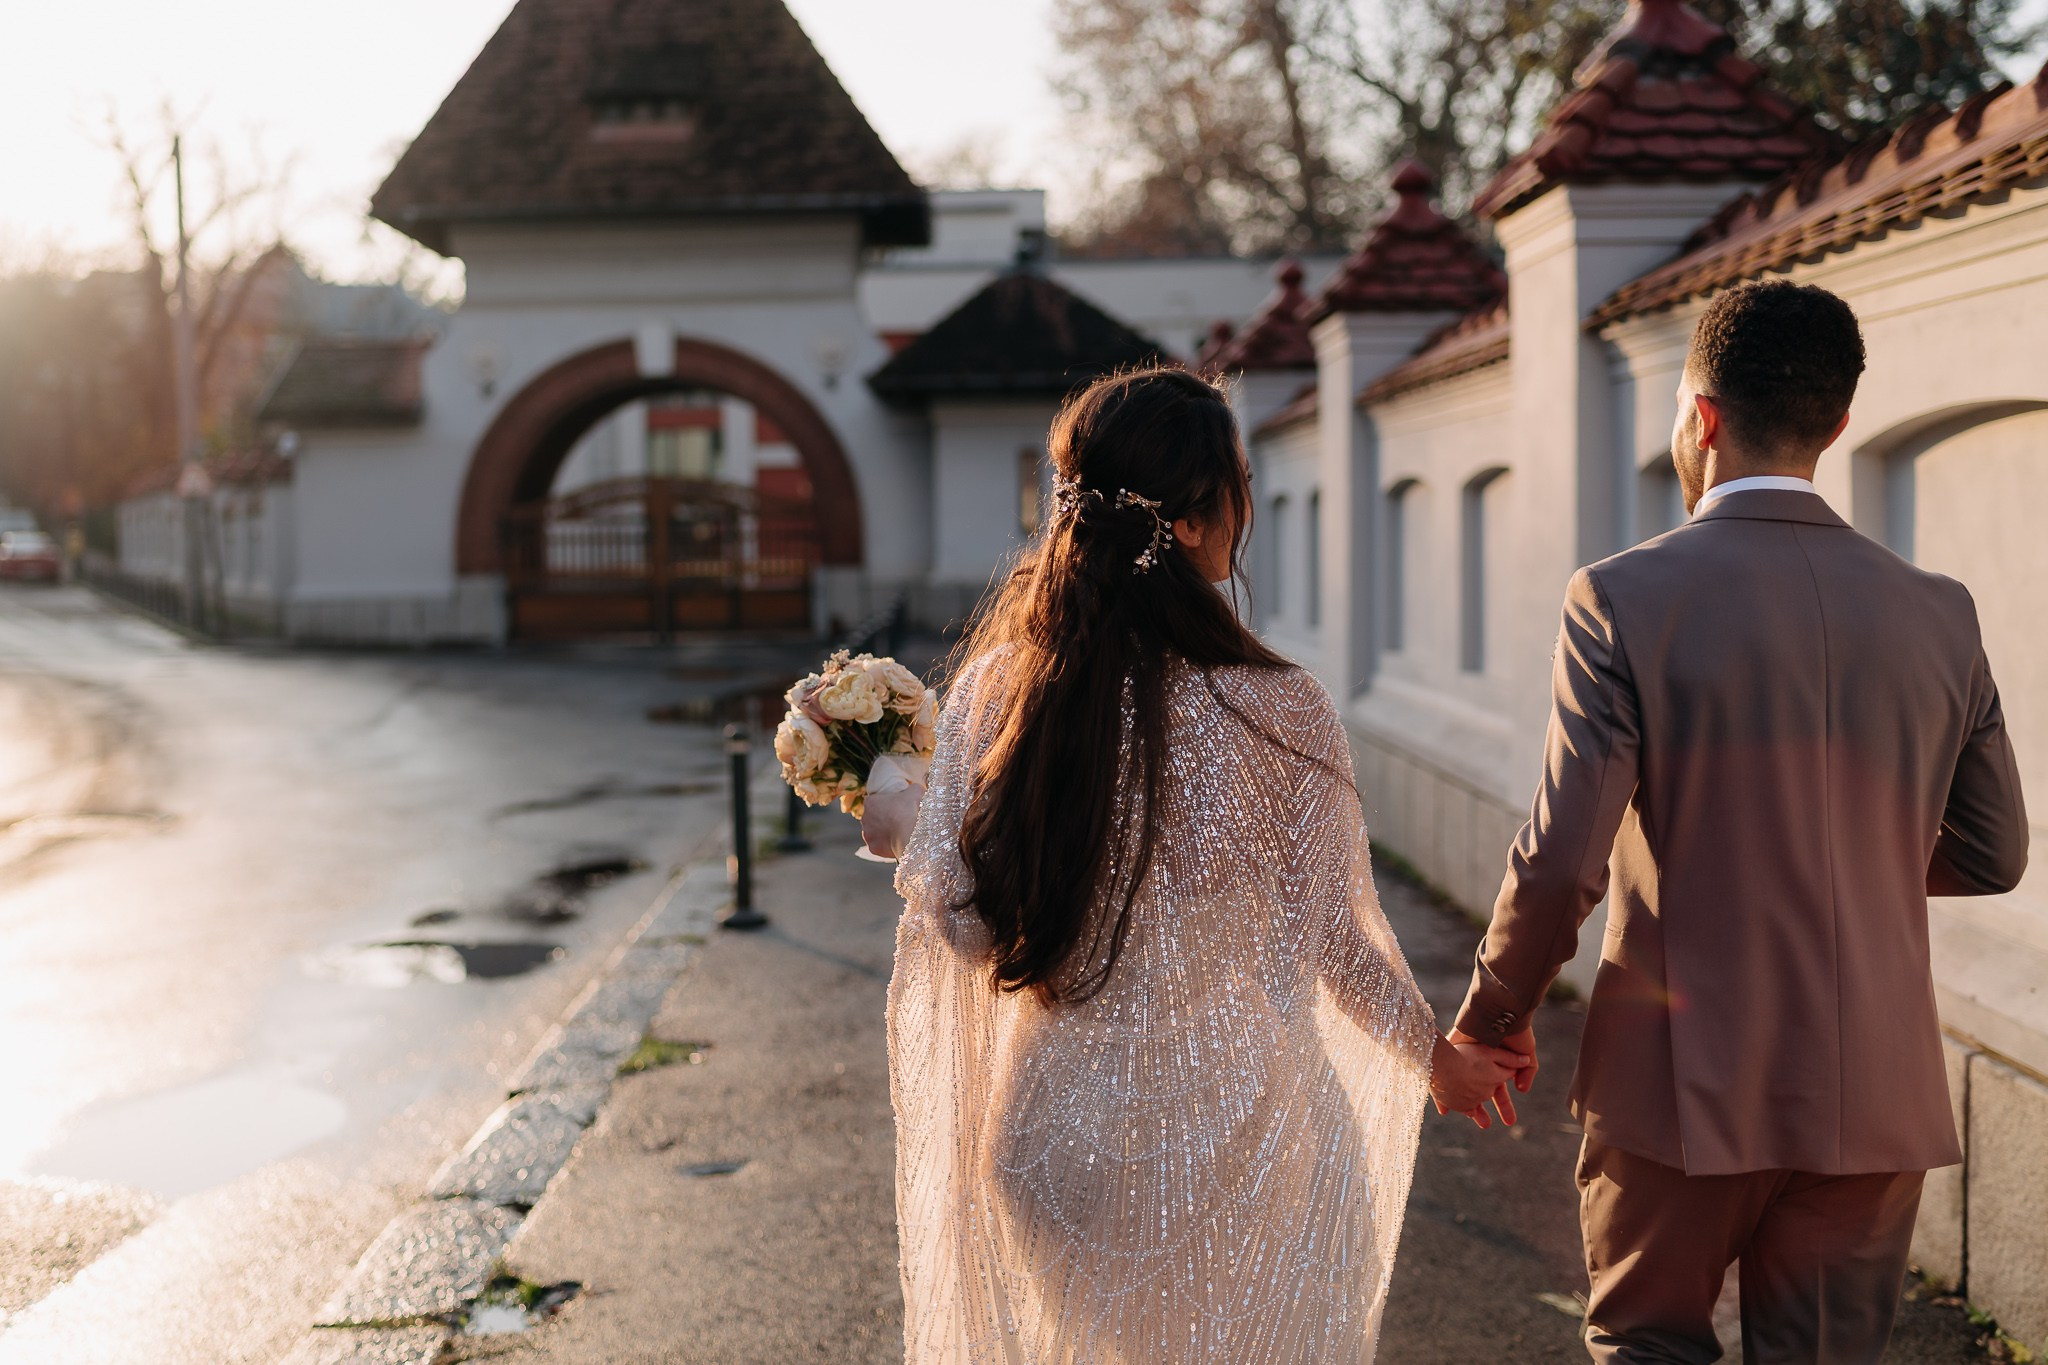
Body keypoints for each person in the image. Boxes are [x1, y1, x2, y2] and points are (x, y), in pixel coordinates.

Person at [865, 367, 1525, 1363]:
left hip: (1049, 1142)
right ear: (1193, 522)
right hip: (1230, 1133)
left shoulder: (998, 691)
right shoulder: (1281, 708)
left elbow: (958, 922)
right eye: (1241, 483)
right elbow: (1333, 942)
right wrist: (1440, 1065)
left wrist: (908, 820)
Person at [1452, 281, 2028, 1363]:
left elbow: (1566, 852)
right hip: (1870, 1092)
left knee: (1648, 1347)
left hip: (1675, 1076)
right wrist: (1850, 860)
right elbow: (1994, 852)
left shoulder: (1618, 598)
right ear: (1839, 422)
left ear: (1699, 416)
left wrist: (1489, 1016)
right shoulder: (1939, 610)